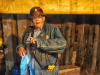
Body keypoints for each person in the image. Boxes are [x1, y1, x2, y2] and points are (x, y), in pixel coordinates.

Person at [16, 6, 67, 75]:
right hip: (32, 71)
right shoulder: (28, 30)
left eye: (39, 17)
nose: (37, 20)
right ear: (31, 20)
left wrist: (40, 42)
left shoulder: (52, 29)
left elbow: (62, 44)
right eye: (34, 18)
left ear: (43, 18)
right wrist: (20, 48)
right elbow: (23, 44)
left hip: (47, 72)